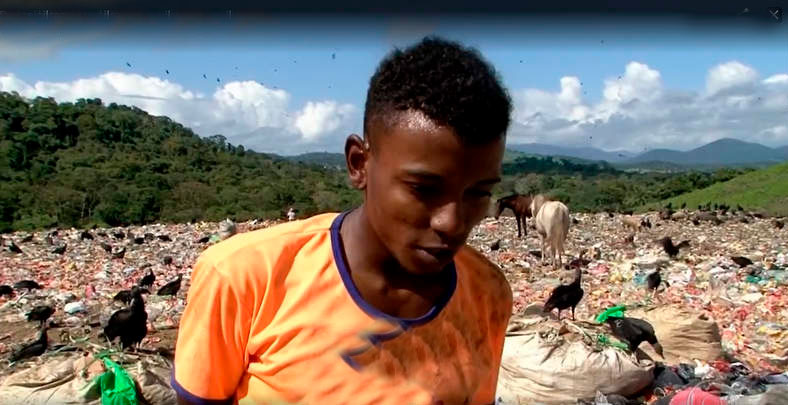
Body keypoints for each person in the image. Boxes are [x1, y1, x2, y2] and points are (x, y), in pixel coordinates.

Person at [172, 36, 513, 405]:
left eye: (478, 193)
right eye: (423, 188)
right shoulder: (245, 277)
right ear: (359, 164)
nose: (452, 223)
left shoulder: (488, 294)